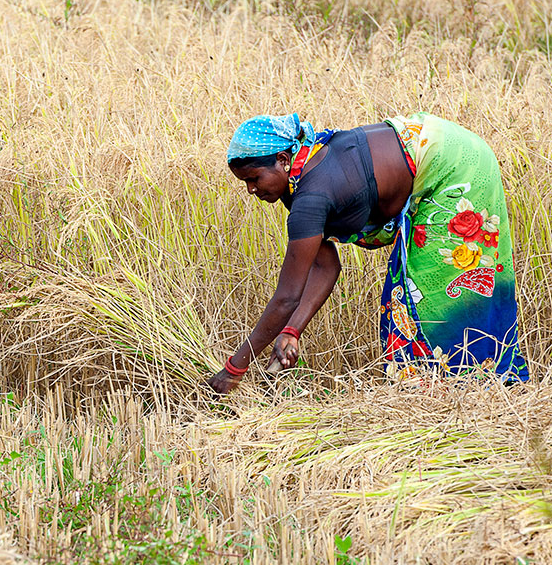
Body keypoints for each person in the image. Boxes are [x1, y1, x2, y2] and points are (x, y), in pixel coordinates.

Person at [206, 112, 529, 394]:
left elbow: (287, 297)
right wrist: (292, 331)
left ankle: (464, 388)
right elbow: (324, 266)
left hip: (455, 165)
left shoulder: (311, 197)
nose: (251, 189)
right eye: (244, 183)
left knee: (429, 289)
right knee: (415, 290)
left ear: (282, 161)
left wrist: (235, 369)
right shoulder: (302, 175)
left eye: (254, 178)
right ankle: (455, 386)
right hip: (435, 141)